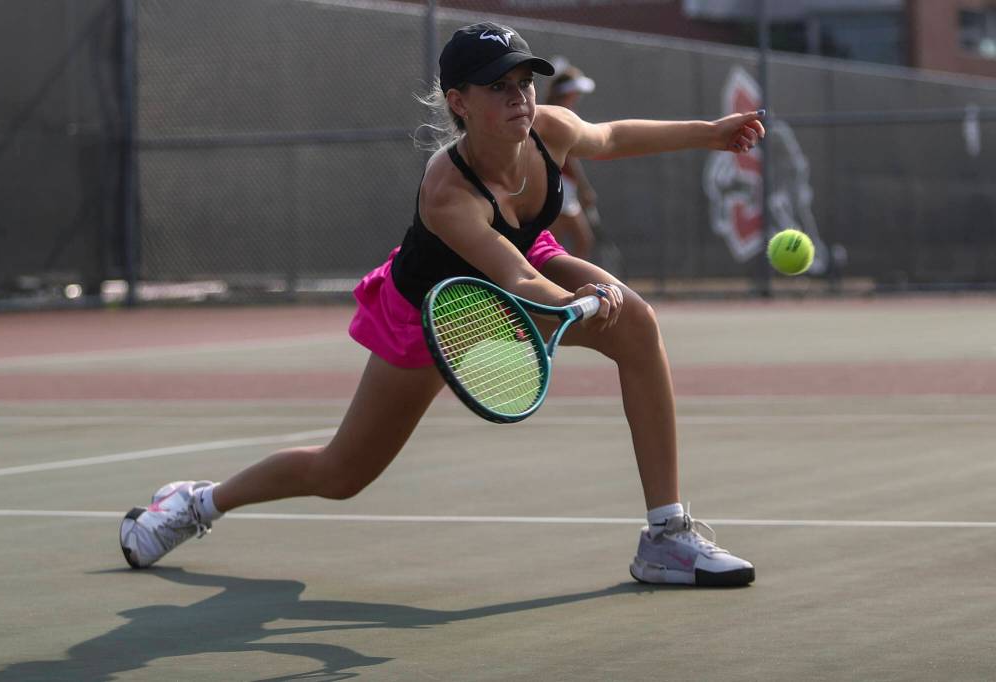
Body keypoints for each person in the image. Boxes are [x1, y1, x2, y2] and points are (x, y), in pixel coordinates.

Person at [120, 22, 766, 587]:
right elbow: (512, 278)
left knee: (637, 327)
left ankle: (666, 537)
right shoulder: (448, 194)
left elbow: (610, 136)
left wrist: (708, 133)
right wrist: (578, 299)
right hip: (434, 310)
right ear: (459, 102)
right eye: (498, 87)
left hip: (520, 262)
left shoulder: (547, 129)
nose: (519, 97)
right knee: (342, 473)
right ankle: (197, 504)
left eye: (524, 82)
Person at [544, 60, 598, 259]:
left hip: (567, 188)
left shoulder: (567, 114)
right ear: (566, 92)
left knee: (583, 239)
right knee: (551, 246)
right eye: (575, 92)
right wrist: (585, 188)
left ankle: (568, 284)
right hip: (557, 186)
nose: (578, 97)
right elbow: (570, 159)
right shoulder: (558, 116)